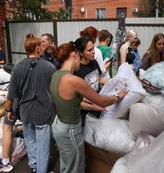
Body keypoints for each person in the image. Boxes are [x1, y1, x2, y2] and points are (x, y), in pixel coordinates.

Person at [50, 42, 127, 173]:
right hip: (70, 130)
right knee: (74, 168)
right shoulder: (73, 80)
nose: (80, 61)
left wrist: (96, 107)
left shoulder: (56, 75)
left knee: (67, 165)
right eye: (79, 57)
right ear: (74, 55)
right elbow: (102, 101)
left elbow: (75, 100)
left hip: (59, 124)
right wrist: (117, 97)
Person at [3, 36, 56, 173]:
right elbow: (55, 90)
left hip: (25, 112)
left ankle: (33, 166)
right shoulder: (49, 67)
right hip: (43, 112)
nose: (43, 49)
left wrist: (9, 109)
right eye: (42, 46)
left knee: (30, 141)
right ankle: (40, 170)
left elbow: (11, 94)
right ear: (37, 48)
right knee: (43, 146)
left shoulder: (18, 67)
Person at [74, 36, 109, 123]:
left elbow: (99, 79)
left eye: (93, 48)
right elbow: (78, 97)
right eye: (89, 50)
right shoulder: (77, 69)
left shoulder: (94, 62)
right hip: (86, 112)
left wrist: (113, 81)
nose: (93, 52)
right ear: (81, 53)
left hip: (98, 104)